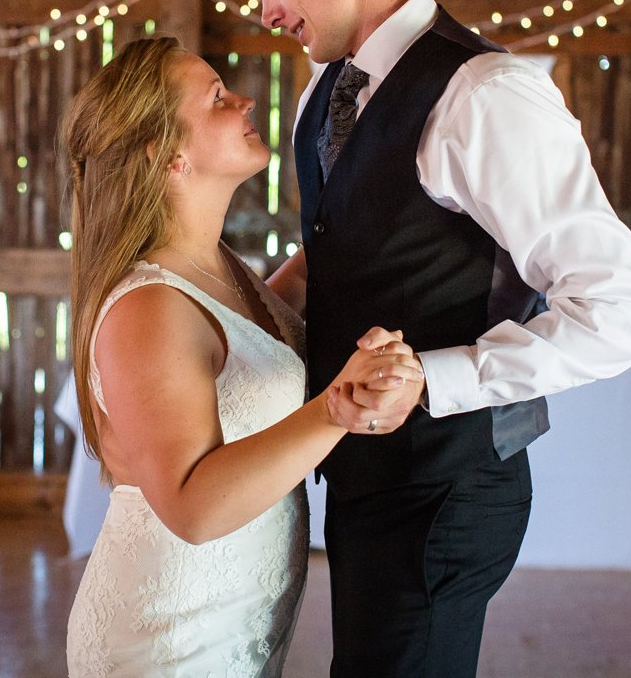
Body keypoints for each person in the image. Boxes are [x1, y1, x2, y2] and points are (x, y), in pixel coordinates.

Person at [243, 0, 631, 677]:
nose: (267, 12)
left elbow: (619, 314)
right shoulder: (322, 95)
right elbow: (349, 250)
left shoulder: (485, 95)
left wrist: (432, 380)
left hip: (445, 491)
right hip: (364, 484)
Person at [62, 37, 422, 677]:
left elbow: (261, 342)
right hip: (170, 638)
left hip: (231, 621)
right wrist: (334, 411)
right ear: (168, 154)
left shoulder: (215, 266)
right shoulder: (146, 307)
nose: (247, 99)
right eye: (218, 99)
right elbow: (193, 509)